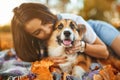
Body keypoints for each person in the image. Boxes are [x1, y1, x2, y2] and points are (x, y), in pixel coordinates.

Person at [11, 3, 120, 62]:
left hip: (98, 29)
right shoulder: (33, 41)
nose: (47, 30)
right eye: (38, 32)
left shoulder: (73, 19)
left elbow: (104, 52)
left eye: (45, 22)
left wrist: (82, 46)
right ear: (31, 36)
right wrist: (48, 59)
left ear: (46, 14)